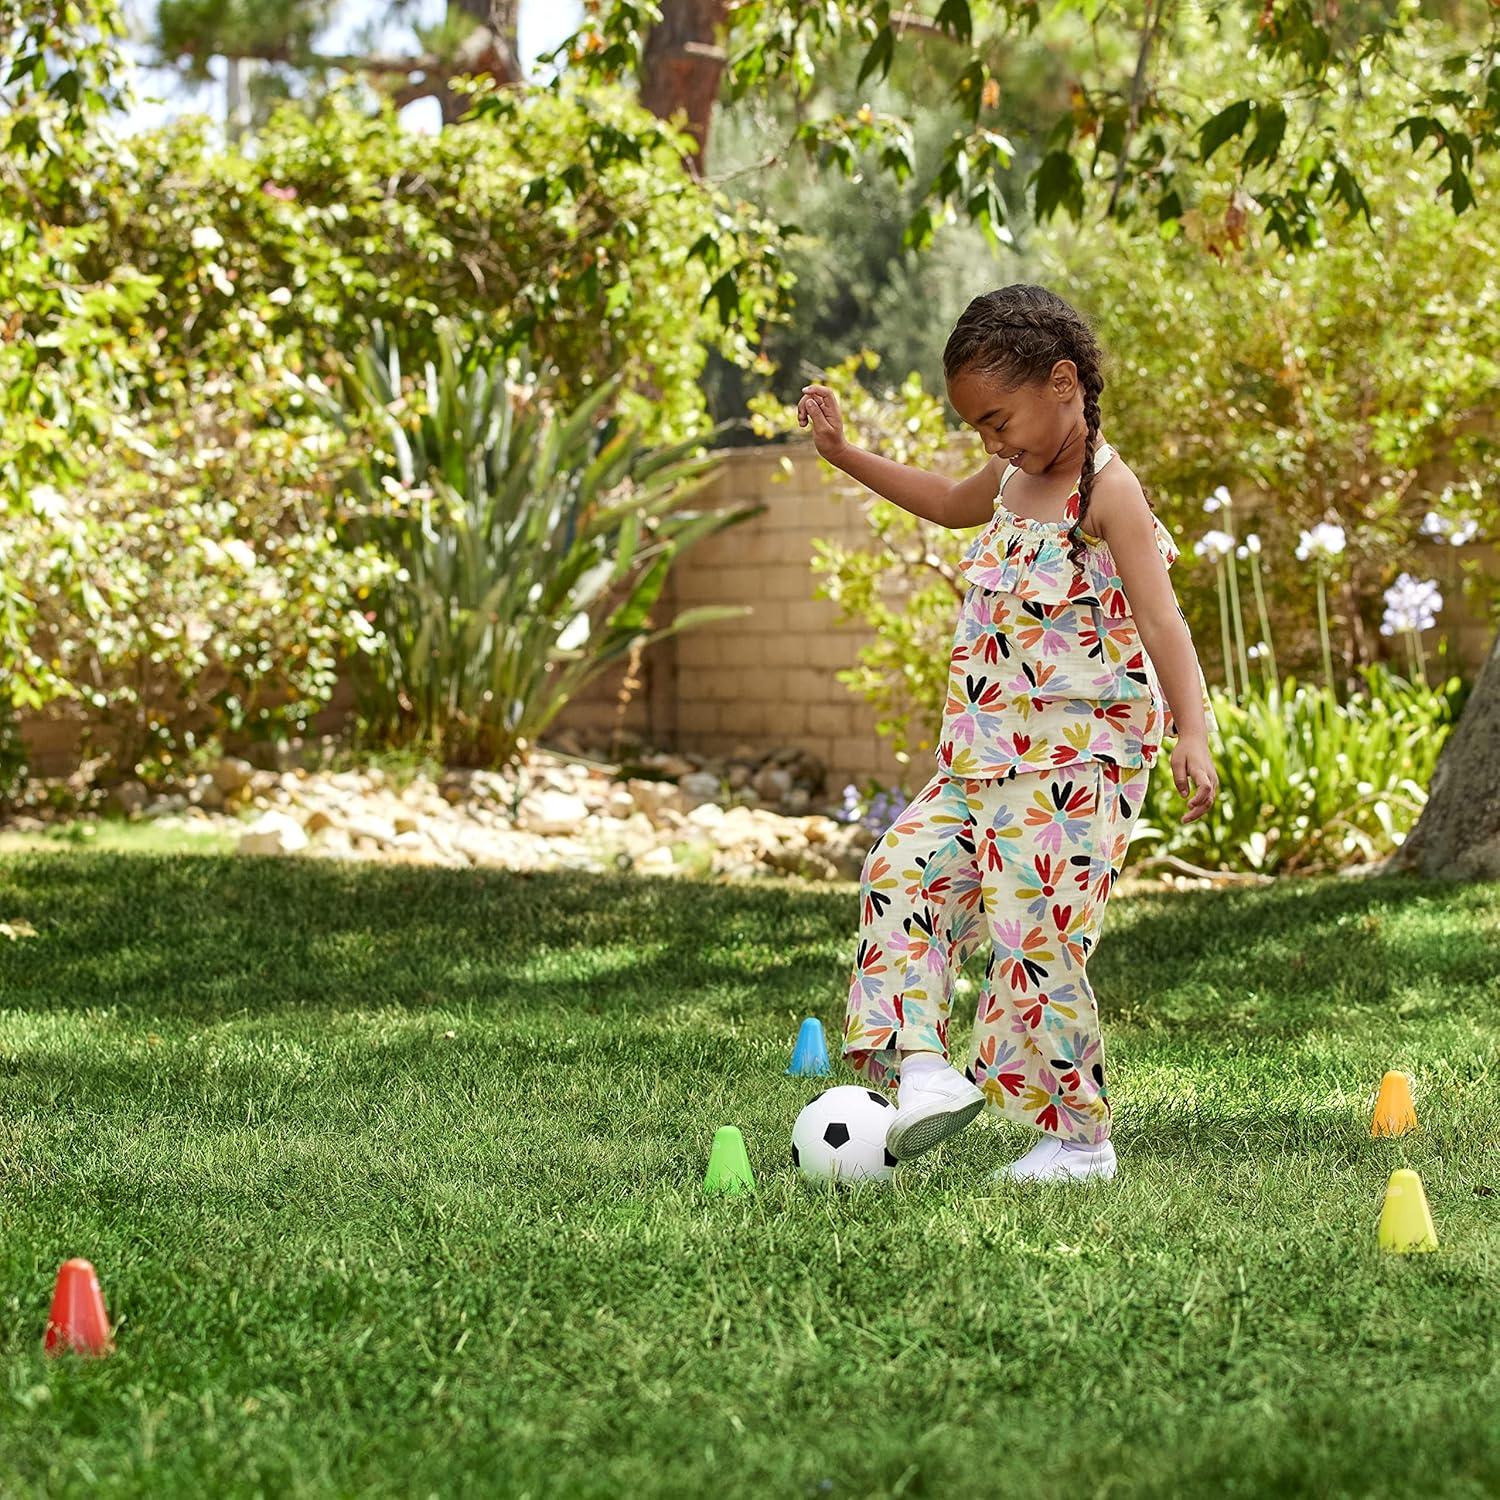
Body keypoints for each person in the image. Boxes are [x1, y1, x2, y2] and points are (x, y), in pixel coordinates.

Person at [797, 284, 1219, 1185]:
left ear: (1063, 381)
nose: (990, 442)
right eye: (979, 429)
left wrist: (1195, 731)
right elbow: (948, 503)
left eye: (999, 419)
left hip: (1075, 766)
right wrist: (843, 454)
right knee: (899, 870)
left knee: (1035, 938)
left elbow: (1163, 622)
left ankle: (1078, 1140)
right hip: (979, 755)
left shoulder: (1109, 492)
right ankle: (924, 1075)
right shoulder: (1009, 477)